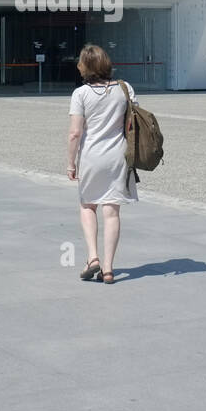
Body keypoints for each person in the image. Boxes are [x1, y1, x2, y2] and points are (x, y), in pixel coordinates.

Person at [67, 44, 136, 285]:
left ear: (87, 66)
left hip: (91, 157)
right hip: (118, 156)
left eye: (80, 62)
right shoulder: (125, 89)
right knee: (112, 210)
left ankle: (92, 257)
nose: (77, 65)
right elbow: (131, 125)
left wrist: (70, 163)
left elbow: (75, 133)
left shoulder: (80, 94)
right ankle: (107, 269)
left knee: (88, 205)